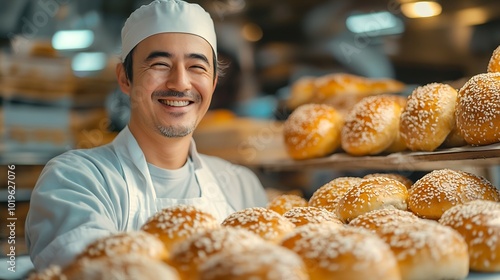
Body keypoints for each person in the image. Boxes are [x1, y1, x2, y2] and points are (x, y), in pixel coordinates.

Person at [25, 0, 268, 271]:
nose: (180, 83)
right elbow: (93, 271)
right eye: (160, 64)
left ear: (212, 83)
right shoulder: (76, 179)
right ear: (125, 79)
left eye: (197, 67)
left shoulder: (242, 186)